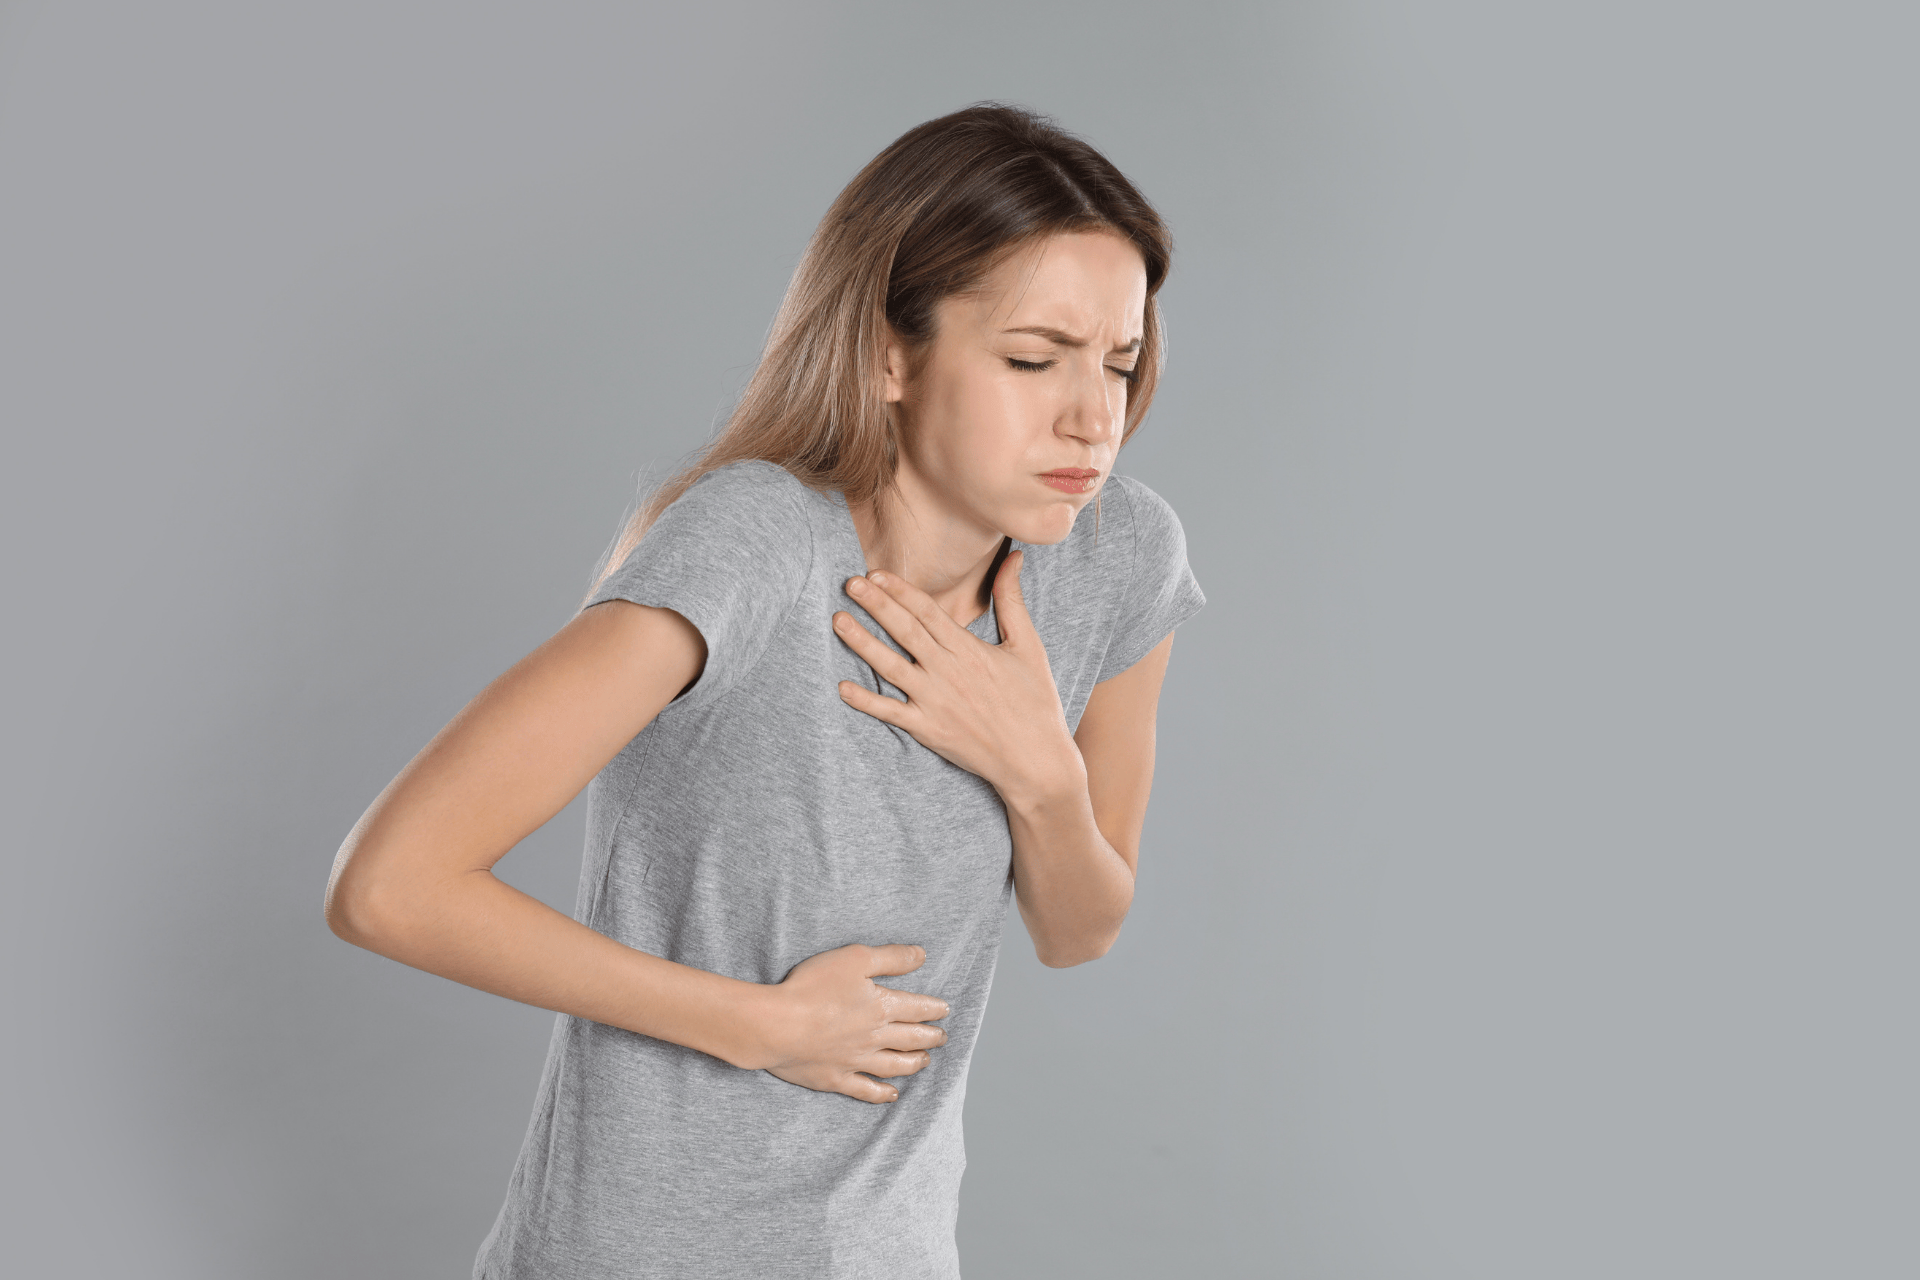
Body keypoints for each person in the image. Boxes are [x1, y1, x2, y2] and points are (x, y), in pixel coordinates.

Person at [325, 102, 1204, 1279]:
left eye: (1121, 360)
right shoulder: (754, 543)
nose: (1093, 416)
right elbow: (388, 884)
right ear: (891, 351)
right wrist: (761, 1024)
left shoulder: (1115, 555)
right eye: (1033, 358)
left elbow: (1080, 926)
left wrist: (1039, 769)